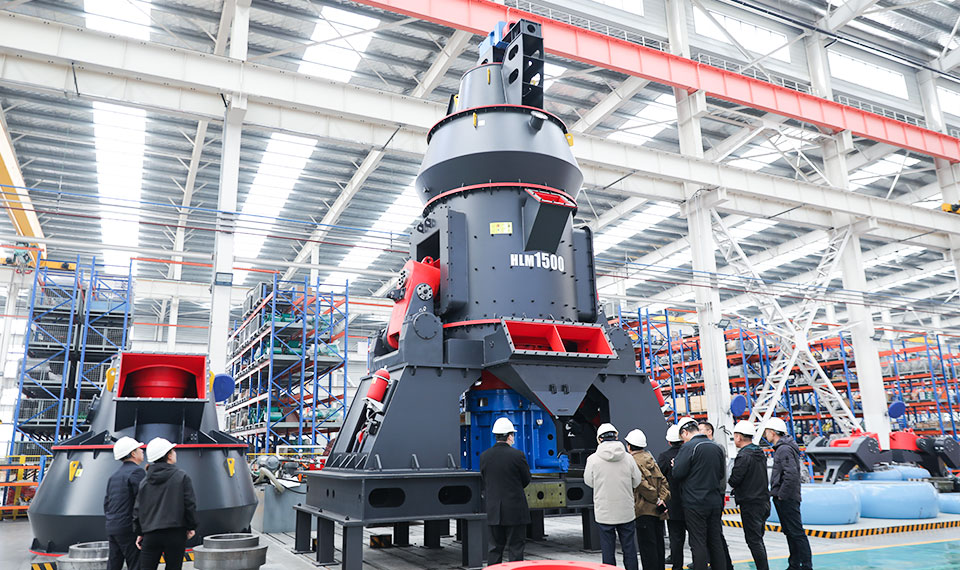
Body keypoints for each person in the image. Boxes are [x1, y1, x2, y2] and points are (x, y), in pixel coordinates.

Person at [133, 438, 197, 570]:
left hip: (151, 534)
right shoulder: (181, 477)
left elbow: (138, 509)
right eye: (173, 451)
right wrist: (191, 526)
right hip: (176, 532)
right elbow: (189, 505)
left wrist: (140, 532)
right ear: (169, 456)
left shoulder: (145, 481)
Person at [584, 423, 642, 570]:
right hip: (626, 510)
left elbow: (589, 481)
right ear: (616, 436)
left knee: (607, 549)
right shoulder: (628, 458)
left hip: (604, 511)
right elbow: (637, 481)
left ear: (599, 439)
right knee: (629, 548)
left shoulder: (593, 459)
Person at [672, 417, 726, 570]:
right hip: (714, 501)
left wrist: (675, 465)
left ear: (685, 432)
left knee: (698, 542)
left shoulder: (689, 447)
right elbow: (721, 474)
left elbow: (677, 473)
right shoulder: (716, 447)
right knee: (715, 541)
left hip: (695, 503)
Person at [479, 417, 531, 564]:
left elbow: (484, 478)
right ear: (509, 436)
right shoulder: (518, 455)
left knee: (494, 548)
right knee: (516, 548)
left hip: (494, 510)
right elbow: (526, 479)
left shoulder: (484, 456)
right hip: (515, 510)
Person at [764, 417, 813, 570]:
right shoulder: (783, 448)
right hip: (786, 497)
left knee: (796, 533)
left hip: (787, 498)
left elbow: (791, 475)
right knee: (791, 532)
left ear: (773, 432)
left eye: (767, 432)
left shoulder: (784, 449)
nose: (766, 435)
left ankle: (805, 566)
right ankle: (794, 565)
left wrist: (781, 495)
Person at [625, 429, 670, 570]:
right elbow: (664, 482)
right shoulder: (651, 459)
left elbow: (641, 485)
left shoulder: (632, 462)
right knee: (659, 546)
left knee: (647, 549)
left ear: (629, 446)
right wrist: (662, 499)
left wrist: (656, 499)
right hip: (658, 511)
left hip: (643, 510)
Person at [728, 420, 770, 570]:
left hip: (750, 503)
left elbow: (735, 479)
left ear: (739, 437)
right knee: (758, 538)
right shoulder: (759, 453)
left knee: (754, 541)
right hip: (763, 501)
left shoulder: (744, 456)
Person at [698, 419, 734, 570]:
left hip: (715, 494)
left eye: (700, 430)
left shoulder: (716, 448)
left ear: (709, 431)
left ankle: (724, 564)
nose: (698, 433)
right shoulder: (707, 447)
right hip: (712, 494)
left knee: (716, 533)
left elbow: (719, 475)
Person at [104, 436, 145, 570]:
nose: (142, 451)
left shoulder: (113, 476)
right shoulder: (137, 472)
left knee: (114, 564)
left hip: (113, 526)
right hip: (129, 528)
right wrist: (141, 529)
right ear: (133, 453)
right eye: (139, 449)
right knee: (136, 564)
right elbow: (142, 501)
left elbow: (107, 503)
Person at [657, 425, 686, 570]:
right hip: (691, 502)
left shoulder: (664, 457)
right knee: (697, 538)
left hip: (673, 504)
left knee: (676, 538)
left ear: (669, 441)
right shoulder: (689, 453)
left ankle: (677, 566)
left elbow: (659, 478)